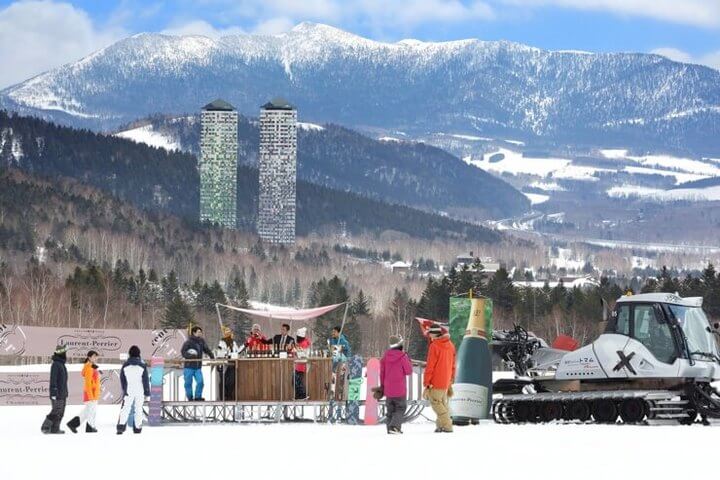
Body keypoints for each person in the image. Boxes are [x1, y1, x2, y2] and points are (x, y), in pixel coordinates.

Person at [423, 325, 456, 433]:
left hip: (436, 381)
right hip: (446, 380)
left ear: (434, 334)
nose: (429, 336)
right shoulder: (451, 345)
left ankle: (447, 425)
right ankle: (440, 426)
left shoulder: (434, 346)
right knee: (442, 402)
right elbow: (453, 365)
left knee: (436, 403)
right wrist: (451, 379)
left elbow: (430, 366)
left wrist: (427, 382)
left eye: (430, 334)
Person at [380, 335, 413, 434]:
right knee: (400, 408)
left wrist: (382, 386)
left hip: (388, 389)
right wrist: (408, 360)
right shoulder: (403, 357)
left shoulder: (385, 357)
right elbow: (409, 371)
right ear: (400, 345)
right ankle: (394, 427)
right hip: (399, 389)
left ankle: (390, 428)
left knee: (390, 410)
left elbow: (382, 373)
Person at [117, 345, 150, 434]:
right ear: (139, 354)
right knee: (138, 409)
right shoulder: (142, 365)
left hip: (129, 390)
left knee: (125, 408)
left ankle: (120, 427)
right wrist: (147, 392)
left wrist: (125, 390)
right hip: (140, 390)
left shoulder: (125, 365)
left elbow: (122, 379)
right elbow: (145, 380)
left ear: (129, 354)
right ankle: (137, 428)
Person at [67, 350, 101, 433]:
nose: (95, 358)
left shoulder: (92, 367)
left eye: (96, 356)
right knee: (91, 412)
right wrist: (91, 396)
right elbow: (88, 384)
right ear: (89, 357)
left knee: (87, 412)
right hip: (91, 394)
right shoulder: (89, 368)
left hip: (93, 393)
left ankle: (73, 424)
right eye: (93, 356)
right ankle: (90, 427)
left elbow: (93, 381)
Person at [181, 326, 214, 401]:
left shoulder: (201, 341)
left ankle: (197, 397)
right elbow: (183, 352)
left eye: (201, 332)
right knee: (188, 383)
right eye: (199, 332)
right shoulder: (188, 342)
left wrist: (212, 356)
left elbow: (207, 349)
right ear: (194, 332)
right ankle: (190, 397)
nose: (200, 333)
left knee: (200, 382)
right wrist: (190, 356)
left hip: (197, 367)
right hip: (188, 367)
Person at [41, 345, 69, 434]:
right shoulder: (56, 364)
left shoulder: (62, 364)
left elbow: (63, 381)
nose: (65, 354)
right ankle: (45, 426)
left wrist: (65, 392)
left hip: (63, 393)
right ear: (61, 353)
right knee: (56, 410)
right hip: (57, 393)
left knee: (61, 412)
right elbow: (53, 379)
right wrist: (53, 392)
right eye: (64, 352)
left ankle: (55, 428)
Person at [217, 326, 239, 401]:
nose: (228, 333)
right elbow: (219, 353)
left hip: (232, 364)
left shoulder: (234, 342)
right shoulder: (221, 342)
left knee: (231, 381)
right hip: (224, 363)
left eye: (229, 332)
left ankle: (230, 396)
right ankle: (223, 397)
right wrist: (226, 353)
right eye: (227, 332)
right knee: (223, 381)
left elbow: (237, 351)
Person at [293, 327, 311, 400]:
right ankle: (298, 395)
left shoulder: (303, 343)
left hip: (301, 364)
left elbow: (301, 354)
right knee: (296, 380)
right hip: (299, 364)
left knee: (296, 380)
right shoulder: (302, 343)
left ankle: (302, 395)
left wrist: (295, 350)